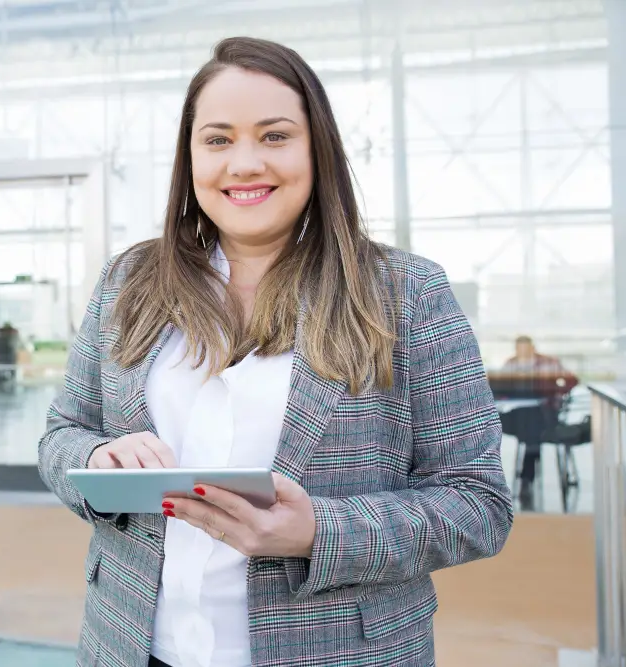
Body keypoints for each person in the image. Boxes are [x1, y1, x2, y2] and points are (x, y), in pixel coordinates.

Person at [38, 36, 513, 667]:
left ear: (317, 149)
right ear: (190, 158)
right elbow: (61, 435)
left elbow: (477, 503)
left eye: (274, 135)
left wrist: (318, 531)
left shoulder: (404, 293)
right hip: (131, 646)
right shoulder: (130, 281)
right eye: (217, 139)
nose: (243, 163)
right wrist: (98, 460)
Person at [496, 335, 579, 509]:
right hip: (517, 416)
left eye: (526, 349)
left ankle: (526, 478)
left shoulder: (549, 363)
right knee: (527, 424)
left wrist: (554, 392)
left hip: (544, 414)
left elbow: (572, 380)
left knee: (532, 421)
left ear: (533, 348)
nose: (523, 353)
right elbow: (497, 387)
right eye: (520, 349)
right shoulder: (511, 364)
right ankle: (525, 476)